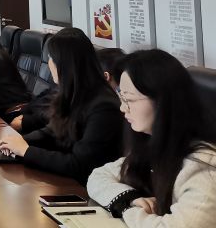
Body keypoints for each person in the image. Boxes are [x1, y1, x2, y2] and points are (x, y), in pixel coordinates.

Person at [87, 49, 216, 227]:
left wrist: (127, 209)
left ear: (162, 101)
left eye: (129, 99)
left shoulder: (204, 167)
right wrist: (129, 198)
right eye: (121, 97)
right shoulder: (153, 146)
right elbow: (98, 176)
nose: (122, 108)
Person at [0, 27, 123, 184]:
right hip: (64, 179)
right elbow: (53, 131)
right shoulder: (76, 92)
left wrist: (26, 151)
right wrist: (19, 141)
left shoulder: (104, 108)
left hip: (83, 188)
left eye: (51, 58)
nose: (49, 63)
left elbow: (80, 165)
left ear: (64, 64)